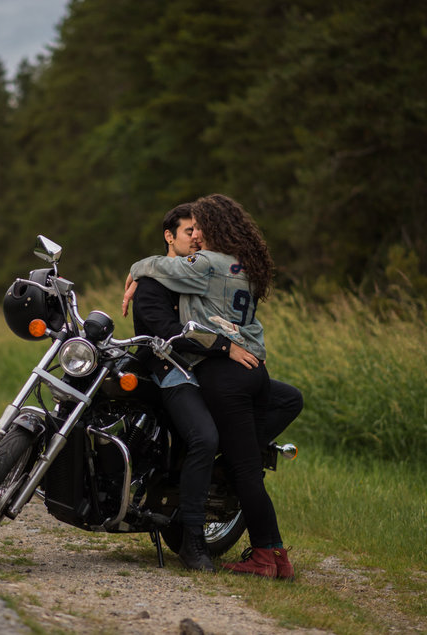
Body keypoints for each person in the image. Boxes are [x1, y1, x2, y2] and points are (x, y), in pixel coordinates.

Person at [125, 194, 294, 580]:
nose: (196, 235)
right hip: (224, 369)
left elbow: (164, 269)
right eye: (190, 229)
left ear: (214, 229)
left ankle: (242, 547)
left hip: (222, 374)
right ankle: (271, 553)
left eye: (199, 227)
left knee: (243, 468)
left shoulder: (199, 265)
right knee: (236, 459)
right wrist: (240, 346)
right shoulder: (244, 266)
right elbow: (170, 330)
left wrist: (135, 270)